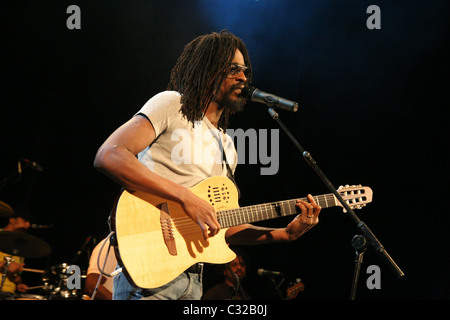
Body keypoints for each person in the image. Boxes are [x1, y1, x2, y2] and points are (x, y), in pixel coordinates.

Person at [94, 30, 321, 300]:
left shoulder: (227, 146)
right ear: (209, 70)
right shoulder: (171, 104)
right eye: (234, 69)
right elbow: (109, 154)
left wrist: (284, 234)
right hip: (149, 274)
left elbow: (226, 226)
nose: (243, 78)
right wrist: (185, 197)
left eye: (245, 71)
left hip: (194, 280)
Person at [0, 209, 31, 295]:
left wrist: (19, 284)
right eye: (25, 220)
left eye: (29, 222)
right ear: (12, 220)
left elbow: (15, 274)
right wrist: (4, 265)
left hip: (9, 293)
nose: (28, 225)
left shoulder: (19, 245)